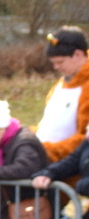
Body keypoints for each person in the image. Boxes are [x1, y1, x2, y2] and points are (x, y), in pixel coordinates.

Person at [37, 27, 89, 162]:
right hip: (48, 164)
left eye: (60, 62)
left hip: (71, 169)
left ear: (78, 55)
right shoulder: (61, 84)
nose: (56, 67)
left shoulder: (86, 88)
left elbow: (84, 138)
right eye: (53, 63)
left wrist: (46, 151)